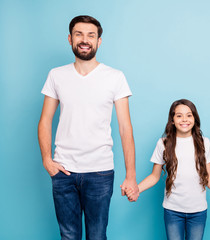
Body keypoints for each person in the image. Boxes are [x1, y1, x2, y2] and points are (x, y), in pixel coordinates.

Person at [38, 15, 139, 240]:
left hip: (100, 171)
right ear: (70, 38)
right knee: (68, 236)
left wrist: (131, 176)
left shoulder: (115, 77)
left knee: (97, 235)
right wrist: (47, 159)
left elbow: (125, 128)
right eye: (79, 34)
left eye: (91, 35)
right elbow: (45, 119)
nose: (85, 39)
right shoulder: (56, 75)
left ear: (99, 41)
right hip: (63, 171)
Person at [127, 99, 210, 240]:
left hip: (198, 211)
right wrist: (137, 189)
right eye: (179, 115)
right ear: (172, 120)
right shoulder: (163, 143)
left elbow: (208, 177)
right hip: (172, 210)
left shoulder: (204, 143)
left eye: (189, 115)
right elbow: (154, 176)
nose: (184, 119)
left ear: (195, 119)